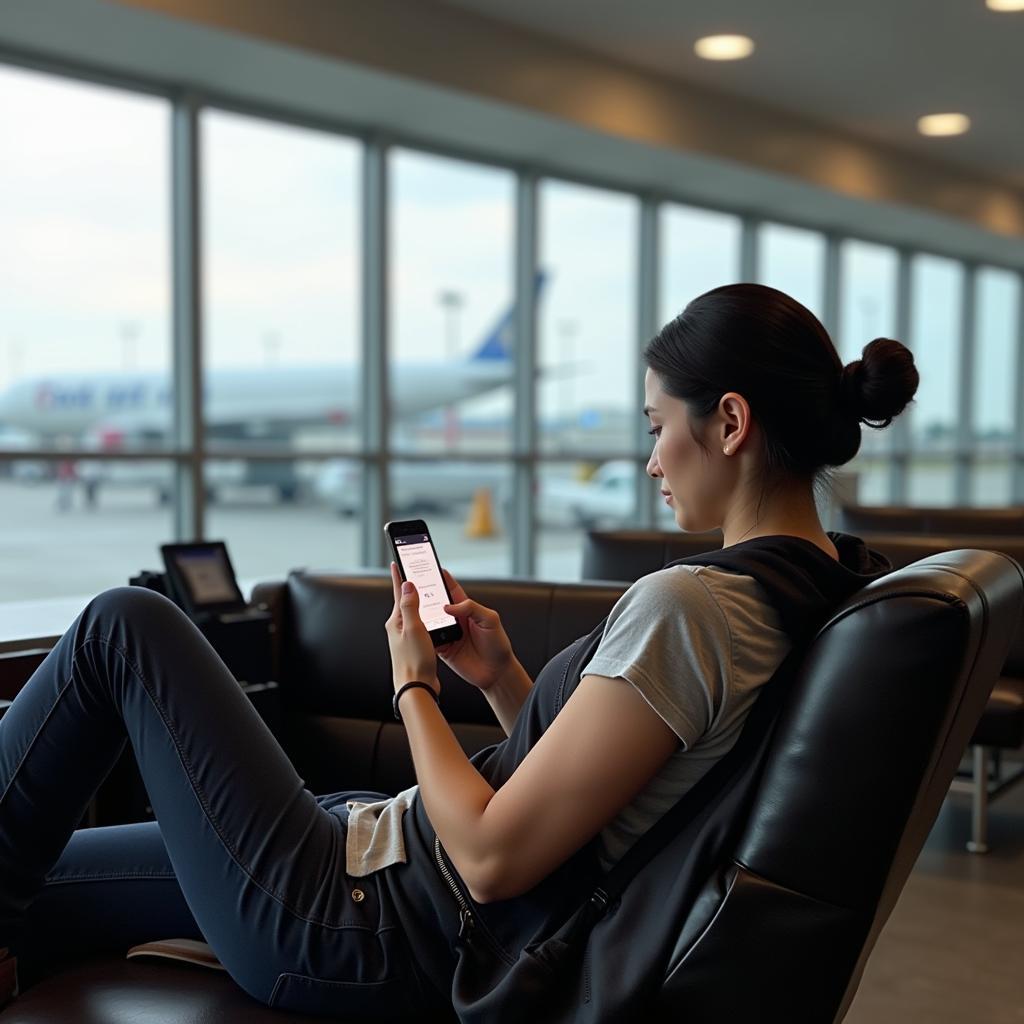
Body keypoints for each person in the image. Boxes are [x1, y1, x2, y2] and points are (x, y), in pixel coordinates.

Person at [0, 284, 919, 1019]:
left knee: (127, 625)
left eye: (655, 428)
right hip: (379, 866)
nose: (650, 462)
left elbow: (486, 858)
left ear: (728, 422)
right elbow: (616, 804)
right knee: (40, 883)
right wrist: (502, 679)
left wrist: (415, 687)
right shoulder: (818, 589)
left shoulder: (690, 609)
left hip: (371, 920)